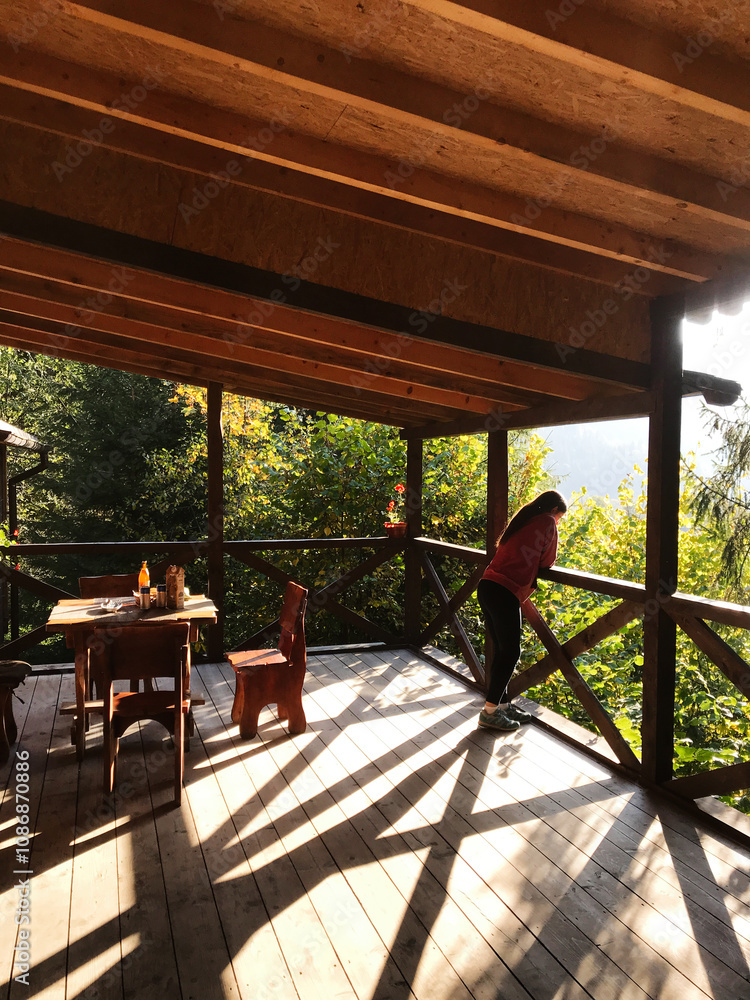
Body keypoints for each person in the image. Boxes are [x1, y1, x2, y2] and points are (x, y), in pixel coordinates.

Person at [476, 490, 567, 731]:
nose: (558, 522)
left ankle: (502, 706)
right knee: (511, 652)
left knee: (502, 650)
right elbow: (548, 561)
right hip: (504, 591)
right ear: (555, 511)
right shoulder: (547, 521)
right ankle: (490, 711)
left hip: (487, 586)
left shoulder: (524, 518)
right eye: (561, 518)